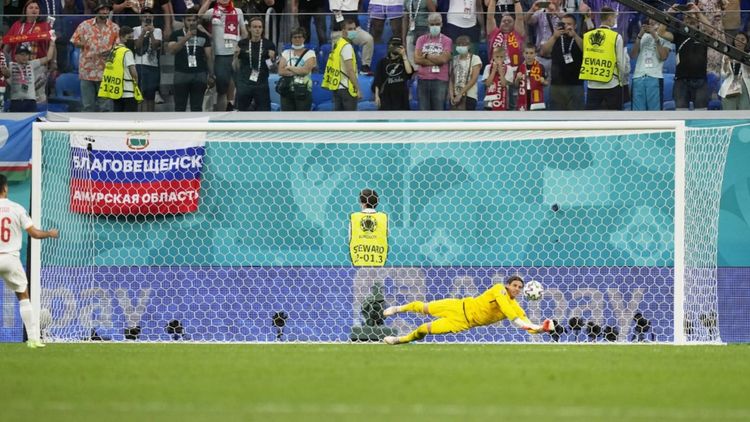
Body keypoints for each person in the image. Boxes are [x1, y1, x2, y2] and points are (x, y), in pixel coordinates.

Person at [382, 275, 555, 344]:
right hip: (459, 305)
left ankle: (400, 340)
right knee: (423, 307)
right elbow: (511, 315)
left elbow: (527, 324)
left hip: (462, 322)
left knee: (423, 329)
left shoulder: (516, 307)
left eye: (520, 287)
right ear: (507, 285)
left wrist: (541, 328)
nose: (517, 289)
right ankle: (398, 308)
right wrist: (522, 323)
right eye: (515, 285)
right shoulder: (498, 290)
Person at [0, 174, 59, 348]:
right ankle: (33, 339)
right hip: (10, 259)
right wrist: (49, 233)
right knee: (23, 296)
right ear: (5, 188)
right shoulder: (16, 208)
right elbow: (33, 233)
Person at [70, 0, 120, 112]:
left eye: (107, 10)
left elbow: (118, 47)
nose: (105, 12)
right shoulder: (84, 25)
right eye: (102, 9)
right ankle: (87, 129)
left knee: (106, 107)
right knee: (88, 106)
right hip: (87, 70)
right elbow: (74, 40)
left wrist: (111, 52)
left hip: (106, 70)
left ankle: (106, 128)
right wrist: (81, 43)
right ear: (97, 10)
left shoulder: (115, 28)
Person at [199, 0, 247, 112]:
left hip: (235, 53)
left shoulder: (238, 11)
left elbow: (244, 32)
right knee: (222, 87)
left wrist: (242, 47)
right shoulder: (212, 11)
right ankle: (221, 114)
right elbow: (200, 15)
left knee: (236, 82)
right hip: (220, 54)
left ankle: (232, 105)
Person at [579, 6, 627, 110]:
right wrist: (622, 81)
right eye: (614, 17)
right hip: (611, 84)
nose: (615, 20)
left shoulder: (587, 36)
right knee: (614, 119)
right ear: (610, 17)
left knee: (591, 120)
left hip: (592, 84)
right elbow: (621, 63)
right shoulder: (616, 36)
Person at [168, 6, 215, 112]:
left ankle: (197, 128)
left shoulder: (203, 35)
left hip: (199, 74)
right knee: (179, 107)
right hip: (181, 73)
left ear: (197, 21)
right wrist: (187, 37)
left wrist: (211, 75)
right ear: (183, 20)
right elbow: (172, 50)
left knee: (197, 107)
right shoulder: (176, 34)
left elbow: (209, 56)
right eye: (189, 20)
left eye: (194, 20)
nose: (191, 22)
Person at [486, 0, 526, 110]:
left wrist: (516, 1)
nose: (506, 22)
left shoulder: (518, 34)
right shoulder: (494, 33)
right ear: (499, 24)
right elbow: (490, 18)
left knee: (512, 106)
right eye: (504, 21)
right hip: (495, 75)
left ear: (514, 24)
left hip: (513, 76)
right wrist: (493, 1)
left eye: (509, 21)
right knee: (494, 107)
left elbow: (520, 18)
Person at [540, 13, 583, 111]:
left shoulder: (579, 37)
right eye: (564, 24)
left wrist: (575, 36)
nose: (566, 26)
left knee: (577, 117)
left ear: (575, 26)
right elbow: (543, 52)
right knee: (556, 117)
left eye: (569, 24)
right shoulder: (555, 37)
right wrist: (554, 37)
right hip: (557, 84)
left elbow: (587, 51)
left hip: (576, 84)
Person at [233, 16, 276, 111]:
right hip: (245, 83)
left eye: (260, 27)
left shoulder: (269, 44)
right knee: (241, 111)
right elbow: (236, 65)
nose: (257, 29)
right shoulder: (242, 43)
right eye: (255, 27)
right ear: (249, 28)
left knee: (264, 111)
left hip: (261, 83)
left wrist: (272, 59)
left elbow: (272, 68)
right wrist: (235, 56)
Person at [630, 18, 671, 111]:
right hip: (638, 77)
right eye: (650, 19)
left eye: (655, 19)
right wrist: (639, 36)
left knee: (655, 114)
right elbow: (633, 55)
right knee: (637, 115)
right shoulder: (642, 36)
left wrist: (655, 36)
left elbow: (663, 56)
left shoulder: (666, 38)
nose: (652, 22)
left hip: (655, 77)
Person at [98, 25, 141, 111]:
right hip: (128, 92)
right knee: (130, 121)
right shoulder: (127, 52)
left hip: (116, 92)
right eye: (129, 37)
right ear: (122, 37)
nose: (132, 40)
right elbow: (134, 72)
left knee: (118, 120)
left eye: (133, 37)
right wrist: (136, 84)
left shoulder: (114, 50)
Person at [322, 18, 362, 111]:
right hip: (347, 89)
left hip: (337, 88)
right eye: (350, 29)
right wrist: (358, 89)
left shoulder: (338, 44)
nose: (353, 31)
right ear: (343, 31)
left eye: (354, 29)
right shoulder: (347, 46)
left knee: (339, 122)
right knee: (350, 122)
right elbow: (350, 70)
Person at [2, 43, 55, 112]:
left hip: (31, 102)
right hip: (16, 101)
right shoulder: (11, 65)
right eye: (22, 54)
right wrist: (4, 71)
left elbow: (48, 57)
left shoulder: (32, 64)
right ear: (16, 56)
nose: (25, 57)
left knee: (32, 121)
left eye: (27, 54)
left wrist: (52, 43)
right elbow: (6, 73)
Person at [414, 12, 451, 110]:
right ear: (428, 25)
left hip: (440, 80)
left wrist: (426, 55)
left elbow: (444, 59)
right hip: (423, 79)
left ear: (441, 24)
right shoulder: (421, 39)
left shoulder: (447, 40)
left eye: (437, 24)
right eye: (432, 24)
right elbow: (417, 59)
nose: (435, 26)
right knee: (423, 110)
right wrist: (437, 60)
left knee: (438, 110)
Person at [278, 27, 317, 111]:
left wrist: (289, 68)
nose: (297, 39)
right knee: (287, 120)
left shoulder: (310, 53)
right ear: (291, 39)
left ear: (304, 38)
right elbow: (281, 71)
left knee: (302, 120)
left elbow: (305, 71)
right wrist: (298, 71)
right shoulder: (285, 53)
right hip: (287, 90)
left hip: (303, 90)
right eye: (295, 37)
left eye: (300, 37)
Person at [349, 189, 388, 267]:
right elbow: (387, 236)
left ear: (364, 203)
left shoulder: (354, 217)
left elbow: (349, 238)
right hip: (378, 262)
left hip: (359, 263)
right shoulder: (383, 217)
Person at [132, 9, 162, 112]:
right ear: (140, 18)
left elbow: (154, 47)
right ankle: (140, 120)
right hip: (139, 64)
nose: (147, 18)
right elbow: (137, 46)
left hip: (152, 66)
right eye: (145, 16)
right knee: (140, 95)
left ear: (153, 18)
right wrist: (143, 32)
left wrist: (151, 33)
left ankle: (150, 121)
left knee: (151, 96)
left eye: (149, 17)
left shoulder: (158, 30)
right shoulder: (135, 29)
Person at [372, 36, 413, 110]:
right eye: (394, 45)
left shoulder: (404, 61)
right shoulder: (382, 62)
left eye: (398, 45)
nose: (396, 47)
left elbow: (409, 72)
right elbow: (378, 81)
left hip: (401, 96)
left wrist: (404, 55)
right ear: (389, 46)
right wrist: (377, 96)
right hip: (386, 96)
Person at [449, 35, 482, 110]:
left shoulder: (475, 58)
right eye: (459, 44)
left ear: (469, 46)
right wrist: (451, 95)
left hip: (469, 96)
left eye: (464, 44)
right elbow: (451, 79)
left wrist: (460, 94)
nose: (461, 46)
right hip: (454, 96)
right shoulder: (454, 59)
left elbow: (474, 79)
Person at [718, 32, 750, 110]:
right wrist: (725, 63)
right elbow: (723, 75)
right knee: (729, 112)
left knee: (744, 112)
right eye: (737, 39)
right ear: (734, 41)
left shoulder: (749, 55)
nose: (739, 41)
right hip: (730, 86)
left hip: (745, 86)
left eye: (742, 39)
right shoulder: (727, 54)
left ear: (746, 42)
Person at [514, 43, 548, 110]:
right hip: (523, 95)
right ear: (523, 54)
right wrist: (517, 79)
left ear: (535, 54)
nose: (528, 55)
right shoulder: (520, 67)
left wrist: (543, 81)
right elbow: (516, 85)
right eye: (526, 53)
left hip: (536, 95)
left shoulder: (540, 67)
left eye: (531, 53)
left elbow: (546, 83)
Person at [482, 45, 512, 110]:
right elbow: (487, 84)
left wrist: (501, 73)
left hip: (503, 100)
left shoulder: (509, 68)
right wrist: (493, 71)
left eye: (501, 57)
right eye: (497, 57)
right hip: (489, 102)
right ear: (493, 57)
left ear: (504, 58)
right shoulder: (488, 67)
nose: (499, 59)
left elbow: (504, 84)